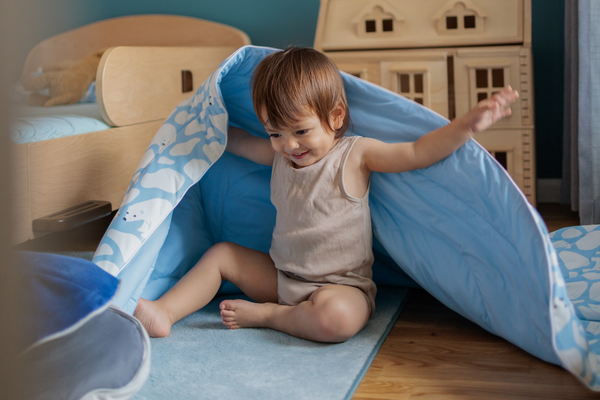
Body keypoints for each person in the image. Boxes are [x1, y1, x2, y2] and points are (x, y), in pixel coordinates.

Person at [134, 47, 518, 343]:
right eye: (275, 133)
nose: (289, 145)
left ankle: (268, 317)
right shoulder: (278, 155)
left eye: (300, 131)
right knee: (222, 256)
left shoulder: (354, 155)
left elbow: (417, 152)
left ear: (334, 118)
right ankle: (163, 313)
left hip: (340, 287)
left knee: (338, 321)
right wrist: (195, 122)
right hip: (282, 278)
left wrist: (467, 125)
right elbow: (229, 140)